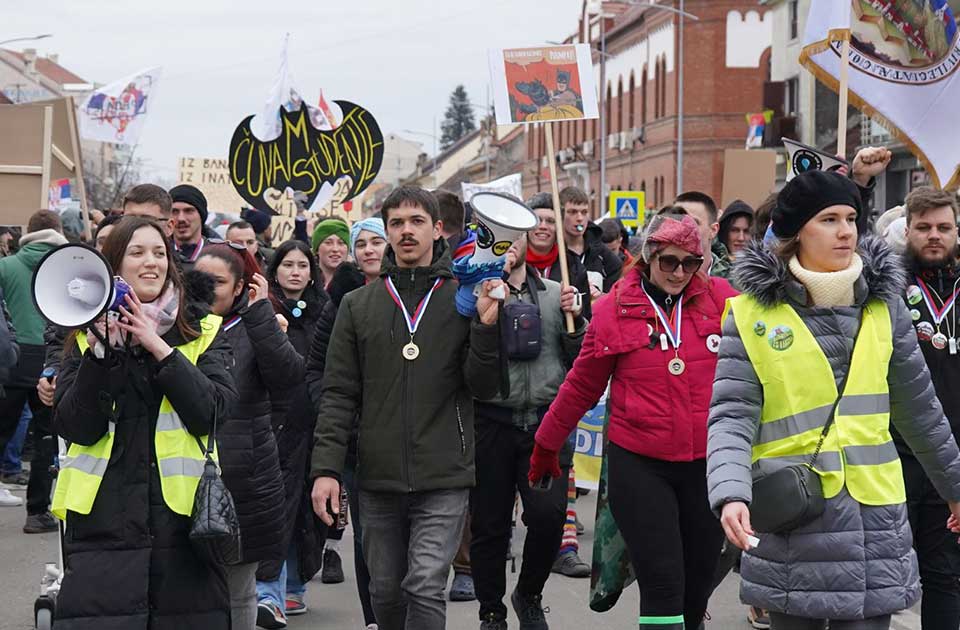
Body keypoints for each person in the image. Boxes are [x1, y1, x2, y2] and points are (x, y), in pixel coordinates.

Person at [707, 171, 960, 630]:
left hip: (874, 518)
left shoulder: (886, 307)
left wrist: (956, 488)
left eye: (850, 218)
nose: (846, 231)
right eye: (828, 219)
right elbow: (731, 415)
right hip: (793, 514)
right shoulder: (750, 316)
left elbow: (921, 411)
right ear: (796, 231)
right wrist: (730, 493)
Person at [530, 213, 737, 630]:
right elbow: (580, 387)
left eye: (690, 263)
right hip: (640, 464)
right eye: (669, 262)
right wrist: (545, 446)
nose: (679, 273)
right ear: (649, 258)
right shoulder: (613, 308)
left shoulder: (724, 300)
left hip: (706, 465)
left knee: (697, 585)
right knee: (662, 583)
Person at [310, 186, 501, 630]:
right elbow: (338, 392)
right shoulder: (358, 305)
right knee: (385, 590)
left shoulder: (465, 297)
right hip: (376, 475)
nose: (406, 231)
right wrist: (326, 470)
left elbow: (484, 386)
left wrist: (487, 329)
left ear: (437, 230)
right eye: (396, 223)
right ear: (387, 232)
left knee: (425, 585)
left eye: (417, 221)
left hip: (444, 473)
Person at [51, 216, 237, 629]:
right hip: (102, 525)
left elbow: (211, 413)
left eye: (160, 253)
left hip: (185, 526)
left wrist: (158, 347)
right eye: (137, 253)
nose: (151, 262)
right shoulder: (85, 336)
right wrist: (102, 357)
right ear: (114, 267)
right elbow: (75, 426)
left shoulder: (202, 329)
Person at [472, 232, 586, 630]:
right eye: (497, 239)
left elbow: (580, 359)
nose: (507, 247)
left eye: (513, 238)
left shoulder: (557, 294)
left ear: (524, 243)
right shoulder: (472, 295)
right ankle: (491, 610)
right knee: (489, 525)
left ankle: (529, 594)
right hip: (492, 423)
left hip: (544, 424)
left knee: (548, 519)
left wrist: (577, 322)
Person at [193, 243, 297, 630]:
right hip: (182, 481)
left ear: (239, 288)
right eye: (198, 279)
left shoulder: (257, 325)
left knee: (239, 591)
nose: (205, 289)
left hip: (245, 483)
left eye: (217, 282)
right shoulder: (171, 325)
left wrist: (262, 317)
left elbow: (288, 380)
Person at [305, 217, 388, 630]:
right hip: (357, 439)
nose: (370, 250)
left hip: (410, 437)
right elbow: (316, 369)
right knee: (369, 533)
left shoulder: (419, 297)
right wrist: (340, 413)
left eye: (378, 242)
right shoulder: (342, 302)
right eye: (363, 244)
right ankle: (374, 618)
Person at [255, 238, 330, 627]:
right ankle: (268, 591)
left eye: (302, 265)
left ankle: (296, 585)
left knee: (308, 511)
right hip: (271, 423)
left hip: (313, 423)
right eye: (287, 265)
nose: (295, 272)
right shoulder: (262, 310)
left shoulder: (326, 311)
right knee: (274, 509)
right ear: (275, 270)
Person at [899, 187, 960, 630]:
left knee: (945, 573)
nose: (933, 236)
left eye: (943, 227)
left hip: (952, 457)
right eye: (923, 228)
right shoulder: (882, 286)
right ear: (907, 231)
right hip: (893, 452)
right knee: (883, 577)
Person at [0, 210, 67, 531]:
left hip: (12, 355)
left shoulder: (6, 264)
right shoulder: (68, 262)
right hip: (50, 355)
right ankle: (37, 511)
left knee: (2, 429)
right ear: (58, 231)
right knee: (46, 436)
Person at [557, 186, 622, 297]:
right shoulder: (551, 251)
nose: (579, 218)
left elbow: (613, 301)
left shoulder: (606, 258)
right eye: (572, 212)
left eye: (584, 212)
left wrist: (600, 296)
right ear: (560, 214)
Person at [169, 184, 210, 271]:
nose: (181, 218)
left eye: (188, 211)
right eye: (174, 212)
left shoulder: (218, 255)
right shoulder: (159, 255)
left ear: (201, 216)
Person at [311, 219, 350, 290]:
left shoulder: (360, 284)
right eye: (328, 243)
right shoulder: (306, 282)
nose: (335, 249)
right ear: (316, 249)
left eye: (341, 243)